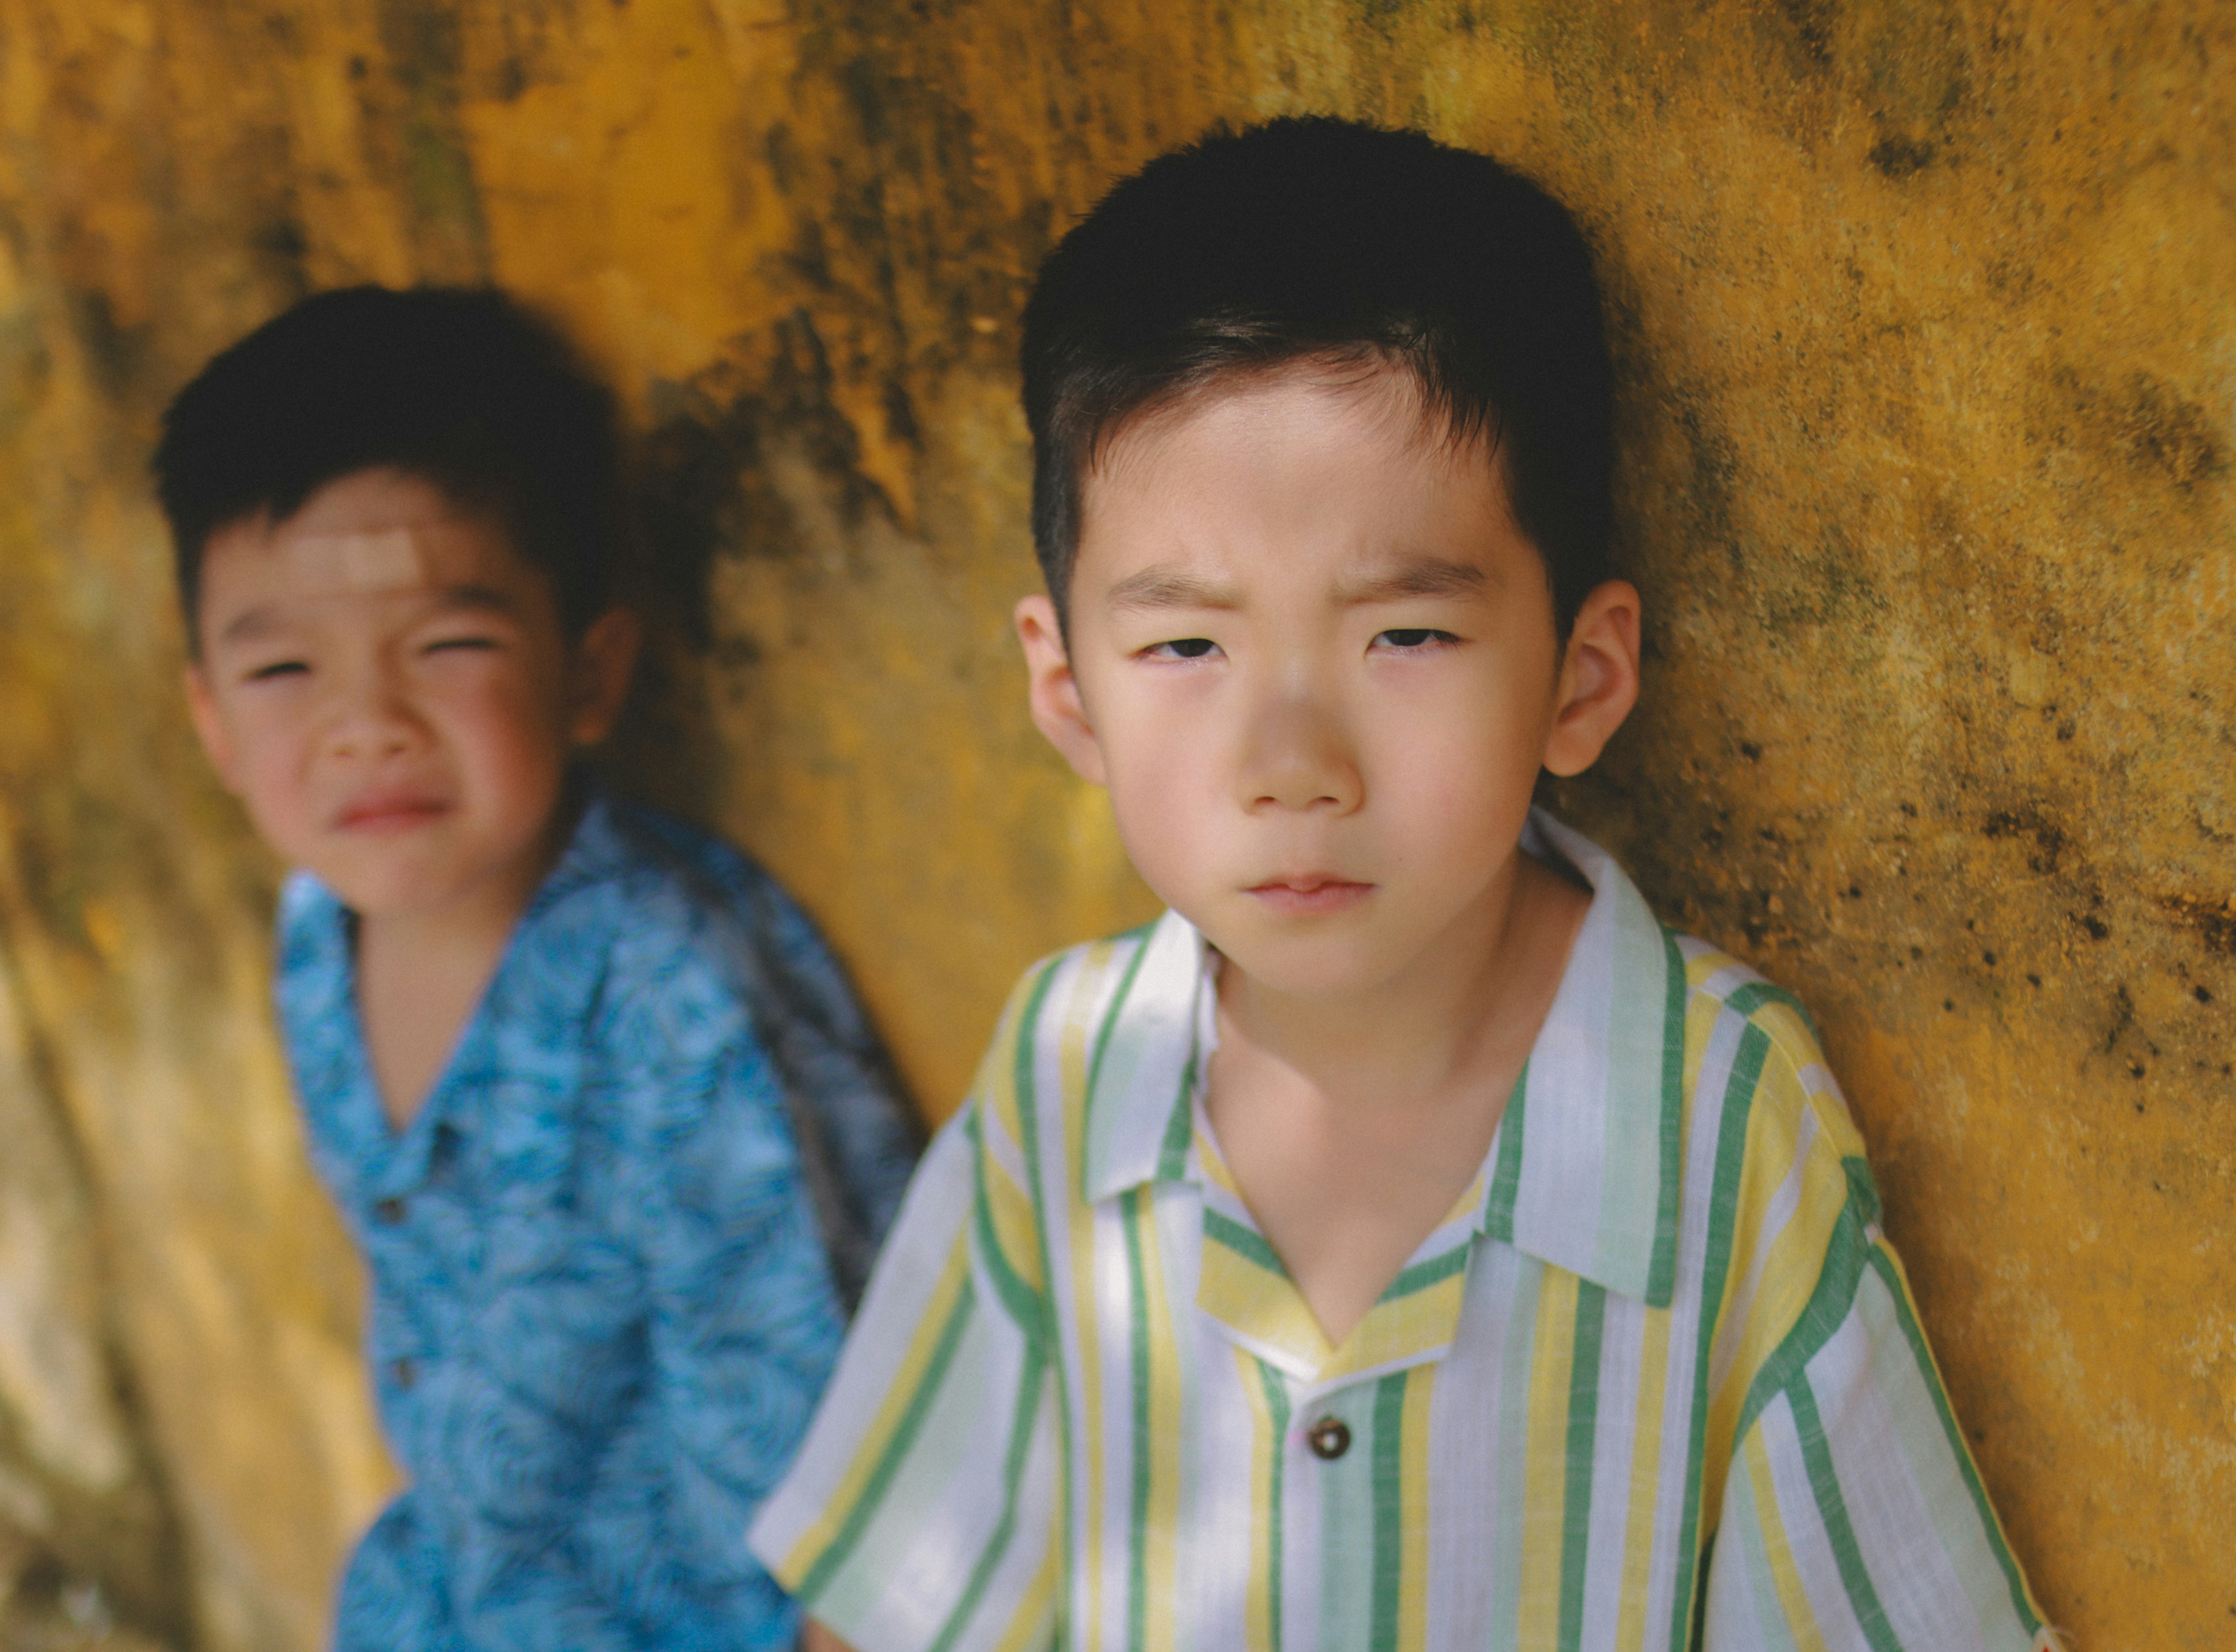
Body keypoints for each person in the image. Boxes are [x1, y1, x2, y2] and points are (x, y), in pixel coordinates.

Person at [751, 118, 2054, 1652]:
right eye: (1186, 647)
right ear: (1068, 691)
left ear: (1582, 675)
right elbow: (891, 1610)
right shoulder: (1064, 1078)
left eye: (1406, 637)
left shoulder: (1718, 1120)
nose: (1294, 760)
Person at [154, 285, 918, 1651]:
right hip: (462, 1592)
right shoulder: (316, 933)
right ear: (209, 718)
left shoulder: (675, 1001)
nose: (365, 726)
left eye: (447, 646)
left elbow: (840, 1459)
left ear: (589, 668)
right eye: (283, 670)